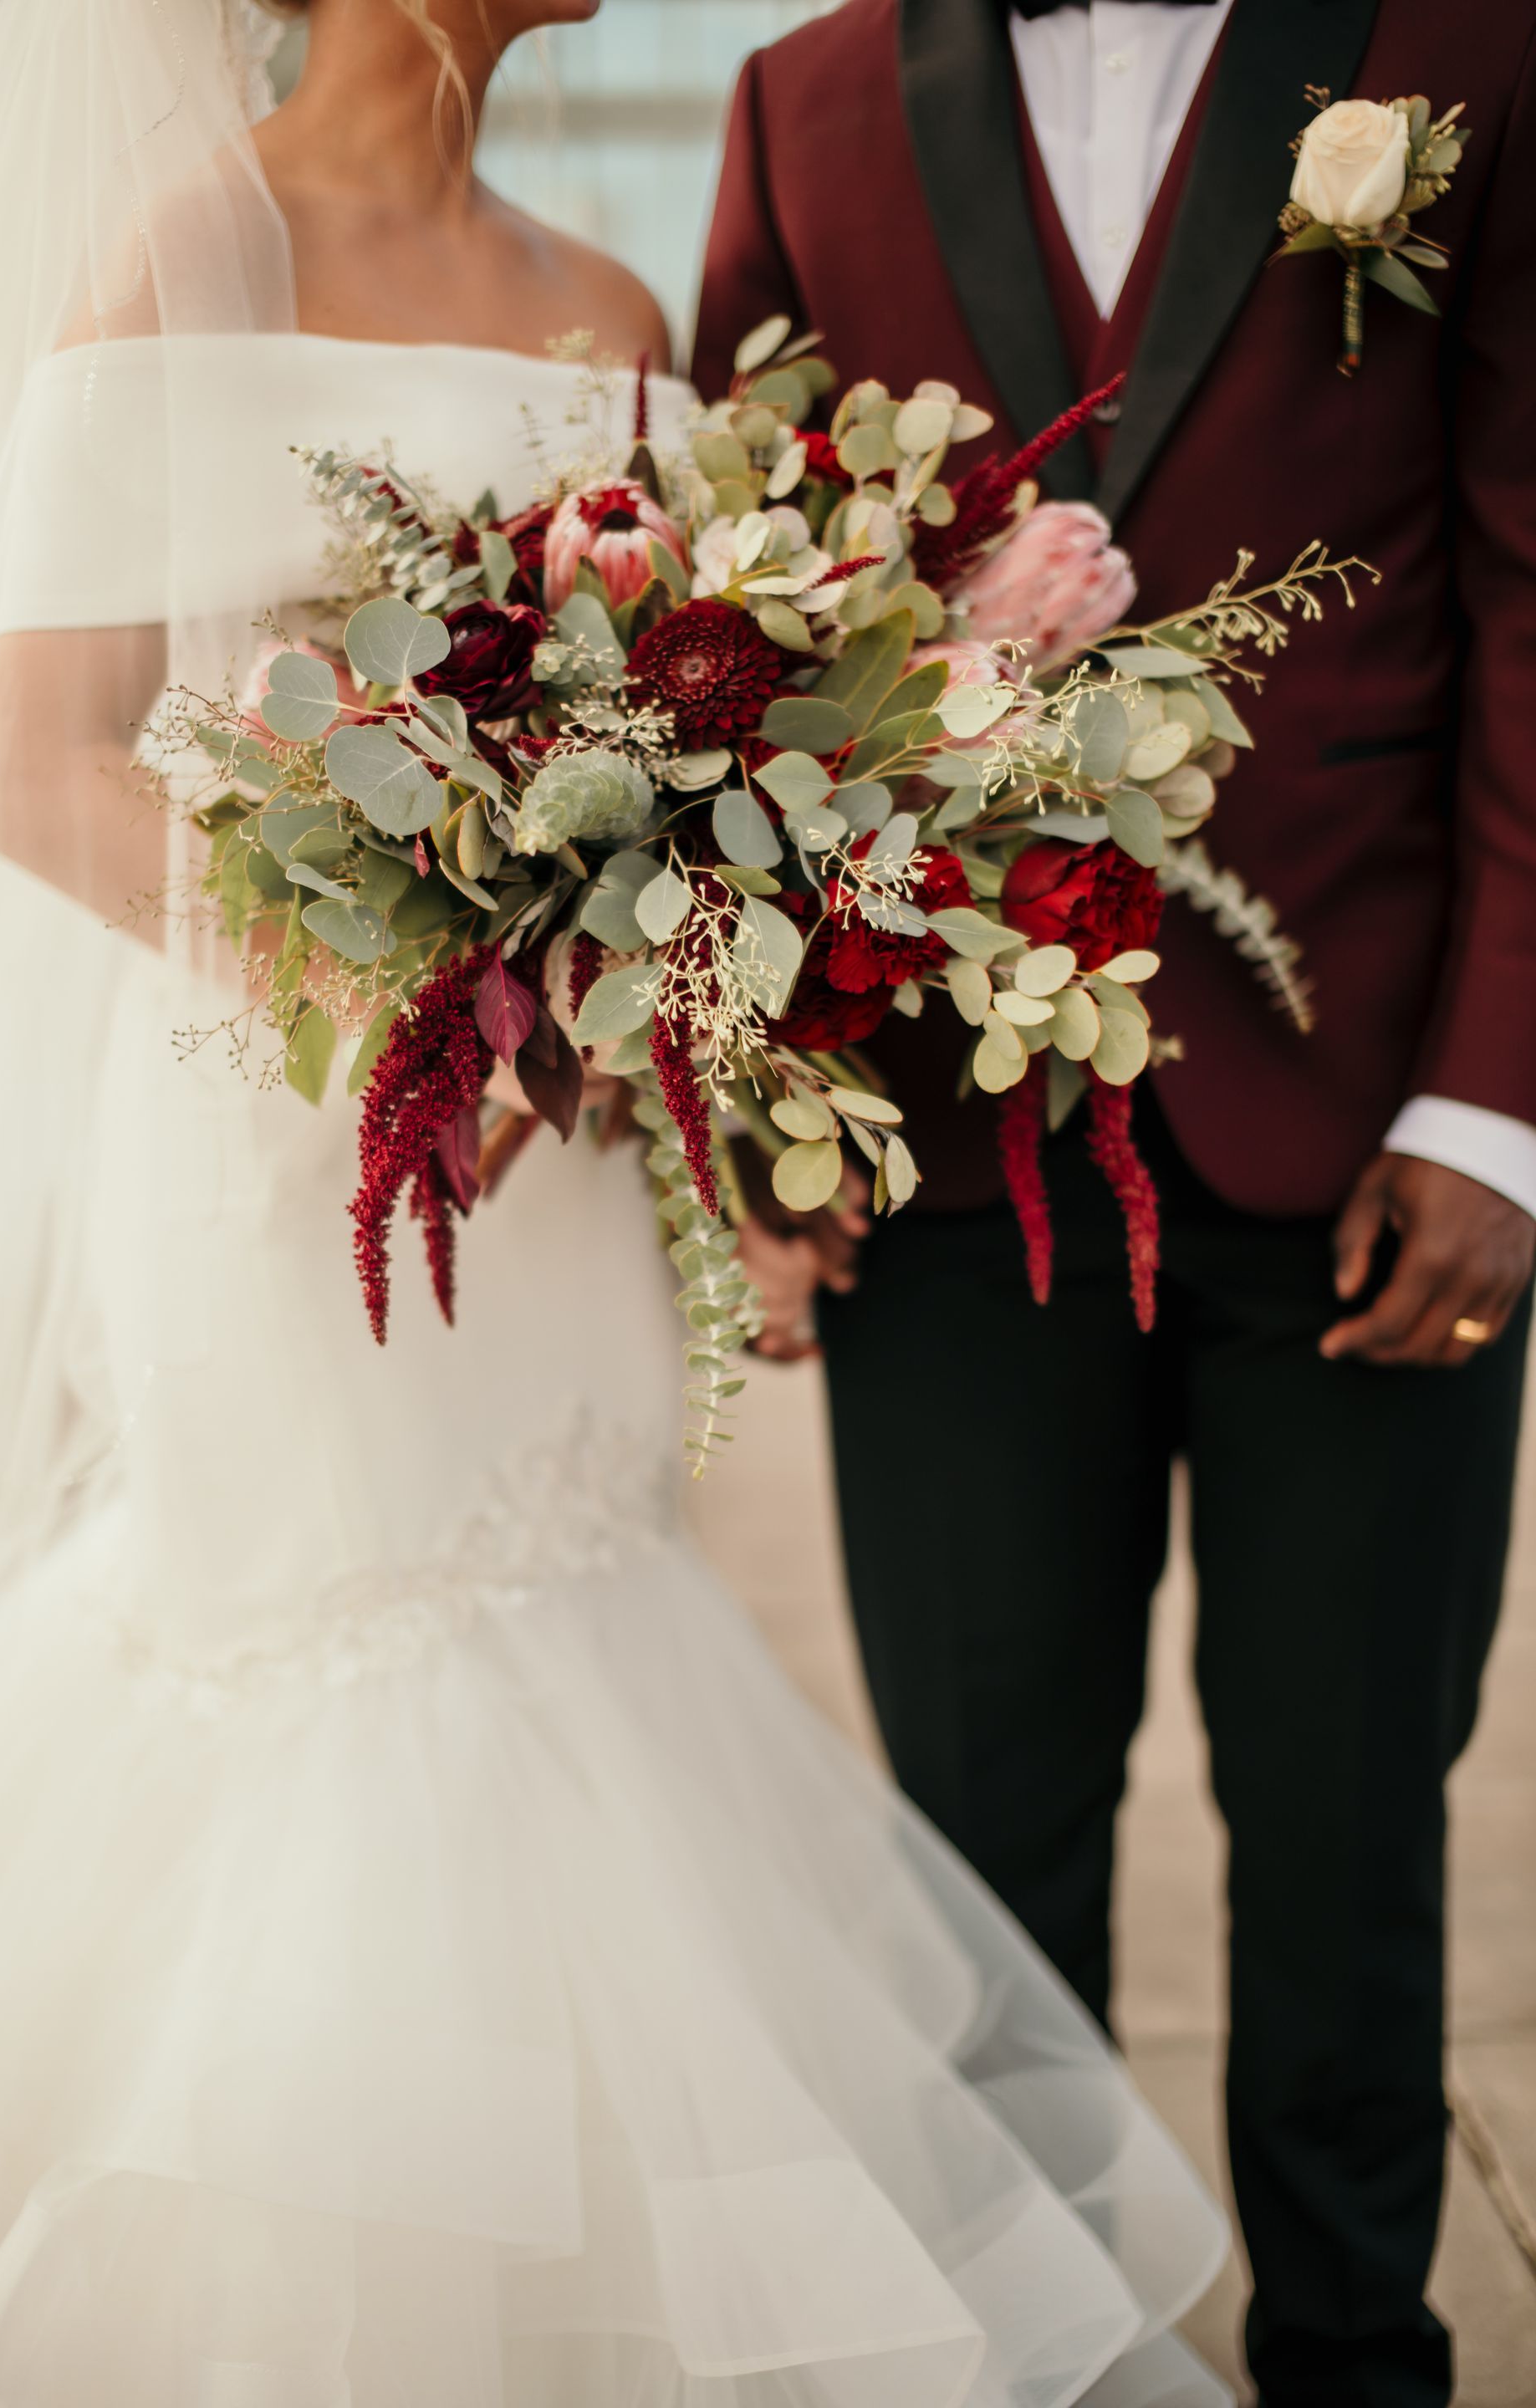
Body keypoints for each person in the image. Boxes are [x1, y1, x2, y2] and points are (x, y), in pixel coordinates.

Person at [0, 2, 1232, 2400]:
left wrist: (639, 1052)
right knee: (353, 1673)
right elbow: (30, 769)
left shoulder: (607, 311)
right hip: (275, 1139)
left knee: (579, 1649)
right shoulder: (177, 247)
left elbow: (656, 774)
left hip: (549, 1188)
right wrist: (404, 1014)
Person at [692, 3, 1536, 2402]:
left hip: (1371, 1142)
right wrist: (772, 1099)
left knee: (1354, 1843)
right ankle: (1037, 2367)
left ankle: (1360, 2354)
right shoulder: (806, 96)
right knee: (981, 1867)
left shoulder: (1472, 49)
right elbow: (733, 638)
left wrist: (1497, 1111)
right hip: (950, 1158)